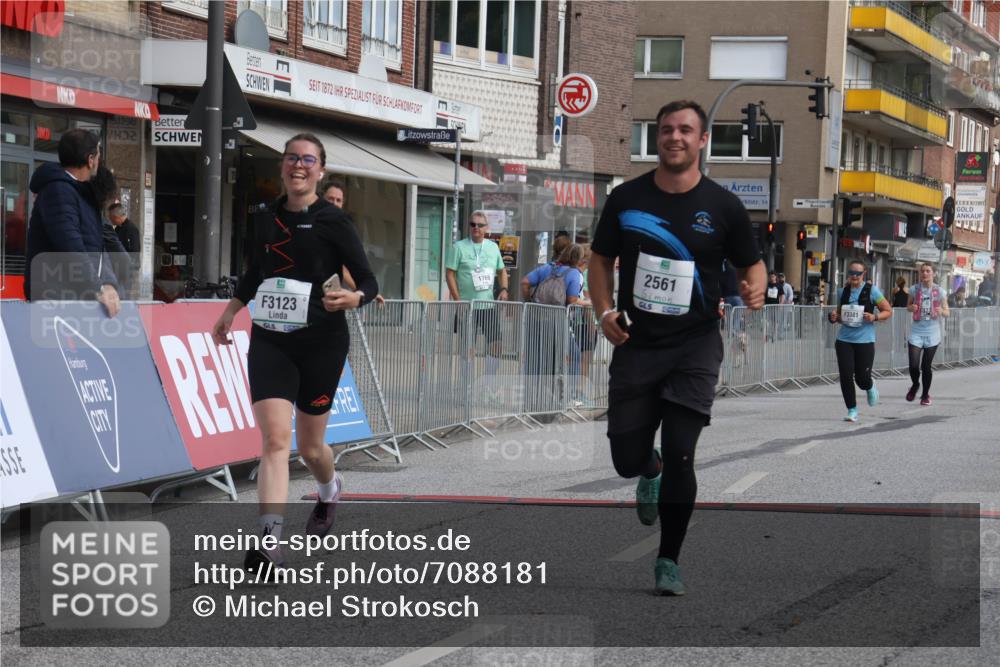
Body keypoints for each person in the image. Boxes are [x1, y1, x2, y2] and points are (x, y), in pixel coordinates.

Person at [588, 100, 765, 596]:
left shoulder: (724, 206)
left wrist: (755, 287)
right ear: (657, 138)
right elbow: (600, 262)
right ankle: (649, 467)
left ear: (702, 140)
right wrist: (603, 312)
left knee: (685, 455)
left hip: (695, 345)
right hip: (637, 343)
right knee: (626, 457)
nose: (675, 137)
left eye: (686, 130)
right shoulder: (626, 199)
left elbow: (753, 265)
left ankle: (668, 559)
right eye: (666, 129)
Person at [211, 133, 378, 573]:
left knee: (310, 446)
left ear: (320, 171)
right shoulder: (264, 216)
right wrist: (231, 312)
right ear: (282, 167)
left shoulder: (333, 221)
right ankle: (268, 540)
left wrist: (355, 298)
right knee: (274, 440)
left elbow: (368, 279)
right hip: (271, 338)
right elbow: (254, 273)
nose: (298, 166)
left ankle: (329, 489)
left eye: (308, 160)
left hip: (322, 342)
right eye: (291, 158)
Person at [24, 128, 120, 316]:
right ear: (90, 160)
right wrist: (99, 288)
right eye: (98, 155)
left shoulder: (83, 192)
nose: (99, 162)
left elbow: (98, 246)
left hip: (77, 298)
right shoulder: (58, 191)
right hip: (55, 302)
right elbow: (70, 247)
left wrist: (108, 283)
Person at [446, 210, 509, 377]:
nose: (476, 228)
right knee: (467, 348)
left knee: (496, 345)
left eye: (480, 225)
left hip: (488, 305)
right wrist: (458, 300)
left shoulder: (493, 247)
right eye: (473, 224)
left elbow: (502, 271)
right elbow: (450, 274)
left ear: (486, 228)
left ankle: (488, 386)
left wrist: (503, 289)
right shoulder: (458, 247)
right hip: (467, 306)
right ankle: (466, 386)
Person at [827, 259, 892, 422]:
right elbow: (842, 316)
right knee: (846, 375)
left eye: (858, 273)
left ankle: (869, 386)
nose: (854, 276)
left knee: (861, 379)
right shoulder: (843, 292)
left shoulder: (872, 291)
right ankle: (852, 409)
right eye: (851, 273)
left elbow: (887, 310)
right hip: (844, 340)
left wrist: (875, 316)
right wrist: (834, 317)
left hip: (865, 340)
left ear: (864, 274)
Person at [906, 262, 949, 405]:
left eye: (928, 271)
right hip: (916, 332)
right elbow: (908, 307)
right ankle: (915, 384)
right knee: (913, 365)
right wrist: (912, 308)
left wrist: (941, 311)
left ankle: (925, 395)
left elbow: (947, 312)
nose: (924, 273)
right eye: (922, 271)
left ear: (934, 273)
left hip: (932, 333)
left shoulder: (940, 291)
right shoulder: (914, 289)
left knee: (925, 366)